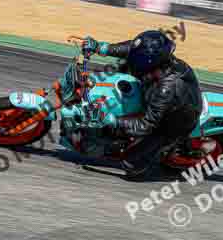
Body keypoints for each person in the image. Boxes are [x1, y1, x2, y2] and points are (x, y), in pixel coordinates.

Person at [79, 30, 203, 180]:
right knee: (118, 76)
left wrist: (112, 120)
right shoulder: (157, 61)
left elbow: (146, 124)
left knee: (131, 164)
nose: (134, 57)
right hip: (159, 97)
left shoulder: (166, 88)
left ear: (151, 62)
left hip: (175, 119)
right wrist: (102, 48)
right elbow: (134, 48)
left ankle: (156, 157)